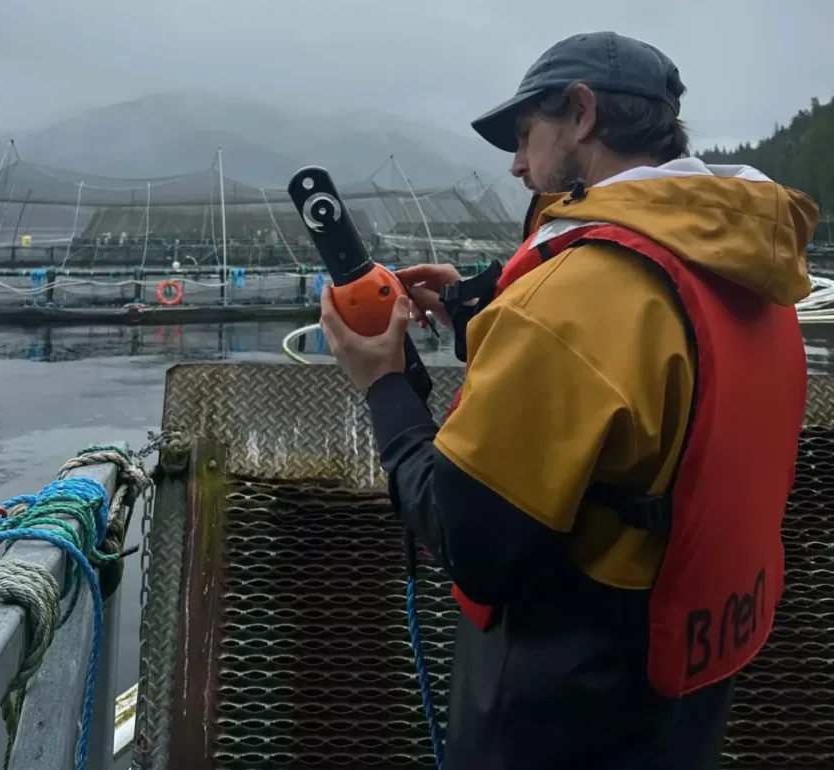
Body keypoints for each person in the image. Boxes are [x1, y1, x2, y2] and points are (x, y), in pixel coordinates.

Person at [318, 31, 818, 770]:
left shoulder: (573, 301)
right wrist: (474, 302)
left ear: (581, 113)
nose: (517, 165)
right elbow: (651, 369)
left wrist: (384, 384)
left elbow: (471, 542)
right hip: (684, 697)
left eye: (525, 136)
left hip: (562, 716)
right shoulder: (750, 266)